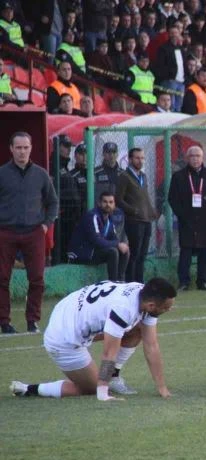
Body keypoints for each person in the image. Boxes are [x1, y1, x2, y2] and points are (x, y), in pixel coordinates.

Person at [10, 278, 176, 400]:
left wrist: (162, 387)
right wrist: (102, 392)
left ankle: (113, 376)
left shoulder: (142, 295)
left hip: (70, 311)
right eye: (166, 307)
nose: (169, 310)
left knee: (137, 329)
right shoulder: (124, 308)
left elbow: (151, 345)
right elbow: (109, 353)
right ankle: (29, 389)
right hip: (63, 337)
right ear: (152, 305)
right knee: (90, 388)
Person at [0, 132, 59, 334]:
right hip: (5, 232)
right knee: (2, 278)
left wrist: (46, 225)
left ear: (31, 148)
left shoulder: (41, 174)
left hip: (34, 232)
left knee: (37, 279)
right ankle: (4, 322)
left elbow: (53, 202)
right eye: (18, 147)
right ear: (11, 149)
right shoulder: (2, 174)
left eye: (26, 147)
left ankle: (32, 321)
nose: (22, 152)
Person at [168, 146, 206, 291]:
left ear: (202, 158)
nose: (195, 159)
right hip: (187, 220)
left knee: (204, 252)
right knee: (185, 252)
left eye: (198, 156)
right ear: (187, 158)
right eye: (192, 156)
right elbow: (172, 198)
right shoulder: (179, 176)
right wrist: (181, 214)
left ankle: (202, 281)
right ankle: (184, 282)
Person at [68, 192, 129, 282]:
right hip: (81, 254)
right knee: (113, 251)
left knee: (125, 250)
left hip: (94, 251)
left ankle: (120, 281)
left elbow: (114, 238)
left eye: (111, 202)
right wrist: (117, 244)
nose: (108, 205)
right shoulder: (92, 216)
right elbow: (97, 241)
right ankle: (113, 283)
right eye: (105, 202)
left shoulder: (110, 218)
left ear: (114, 204)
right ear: (99, 203)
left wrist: (119, 244)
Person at [116, 147, 157, 283]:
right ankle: (131, 282)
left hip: (146, 220)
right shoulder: (124, 176)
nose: (140, 161)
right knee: (135, 253)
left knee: (143, 255)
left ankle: (140, 282)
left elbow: (144, 197)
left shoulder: (143, 176)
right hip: (134, 220)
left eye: (142, 158)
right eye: (137, 158)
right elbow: (118, 199)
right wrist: (132, 210)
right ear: (130, 159)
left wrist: (151, 211)